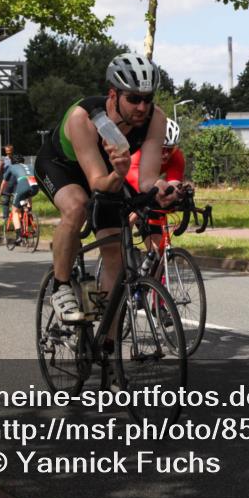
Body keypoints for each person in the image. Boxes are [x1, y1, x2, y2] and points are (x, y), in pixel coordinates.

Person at [35, 52, 170, 324]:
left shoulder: (156, 118)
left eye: (147, 99)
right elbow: (97, 183)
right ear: (113, 94)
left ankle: (102, 337)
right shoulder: (84, 117)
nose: (142, 107)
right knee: (77, 206)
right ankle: (61, 286)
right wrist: (118, 172)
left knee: (115, 255)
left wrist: (166, 189)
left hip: (109, 171)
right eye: (133, 98)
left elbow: (147, 180)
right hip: (60, 166)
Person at [125, 118, 188, 253]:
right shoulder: (139, 152)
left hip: (148, 186)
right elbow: (136, 180)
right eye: (162, 149)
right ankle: (122, 255)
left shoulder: (177, 157)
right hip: (125, 184)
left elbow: (173, 184)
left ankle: (152, 264)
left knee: (158, 249)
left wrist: (178, 193)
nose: (165, 154)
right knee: (123, 229)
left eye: (169, 150)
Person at [0, 155, 39, 244]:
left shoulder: (11, 167)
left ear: (13, 162)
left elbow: (4, 182)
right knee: (28, 196)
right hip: (34, 185)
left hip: (23, 184)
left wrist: (0, 192)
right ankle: (29, 214)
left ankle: (19, 236)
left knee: (15, 211)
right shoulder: (30, 165)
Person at [0, 144, 15, 224]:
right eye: (7, 152)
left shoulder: (16, 159)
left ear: (12, 151)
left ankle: (18, 217)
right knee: (5, 201)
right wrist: (1, 166)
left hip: (16, 182)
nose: (8, 153)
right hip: (6, 182)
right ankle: (5, 220)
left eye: (10, 152)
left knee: (17, 201)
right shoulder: (3, 159)